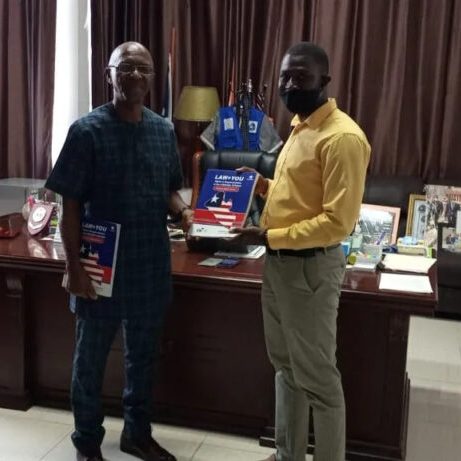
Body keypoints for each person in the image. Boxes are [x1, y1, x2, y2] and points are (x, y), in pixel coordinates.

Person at [45, 41, 193, 461]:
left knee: (143, 357)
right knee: (89, 361)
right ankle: (87, 442)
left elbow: (169, 191)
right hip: (99, 265)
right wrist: (73, 267)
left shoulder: (163, 130)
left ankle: (137, 434)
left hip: (149, 262)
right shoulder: (86, 130)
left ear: (152, 78)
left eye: (143, 70)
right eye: (125, 68)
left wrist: (184, 212)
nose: (135, 77)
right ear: (108, 74)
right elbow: (68, 202)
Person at [232, 42, 371, 461]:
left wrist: (268, 238)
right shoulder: (300, 127)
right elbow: (299, 198)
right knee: (287, 369)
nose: (291, 84)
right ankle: (287, 454)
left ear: (324, 82)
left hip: (309, 270)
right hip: (278, 267)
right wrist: (263, 186)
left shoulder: (342, 137)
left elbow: (337, 222)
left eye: (302, 77)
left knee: (319, 382)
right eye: (286, 76)